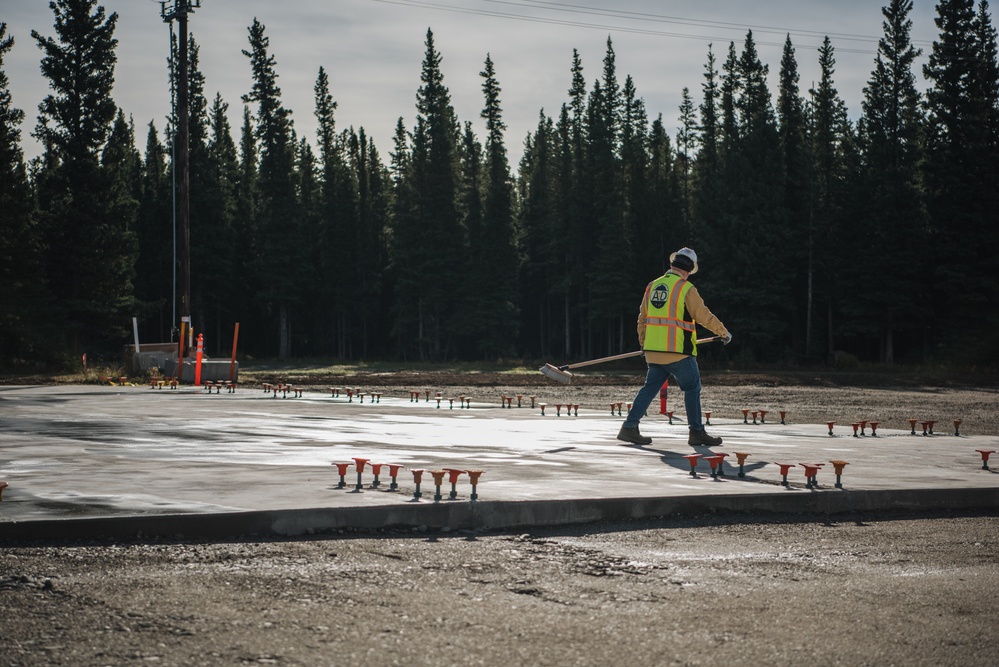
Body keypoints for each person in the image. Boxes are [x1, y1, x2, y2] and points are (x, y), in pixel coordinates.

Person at [617, 247, 732, 447]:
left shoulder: (652, 285)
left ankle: (629, 427)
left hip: (654, 353)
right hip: (678, 353)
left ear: (672, 265)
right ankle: (696, 432)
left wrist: (644, 344)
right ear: (689, 269)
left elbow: (642, 319)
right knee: (692, 387)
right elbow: (703, 315)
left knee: (649, 389)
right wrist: (723, 332)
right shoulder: (686, 288)